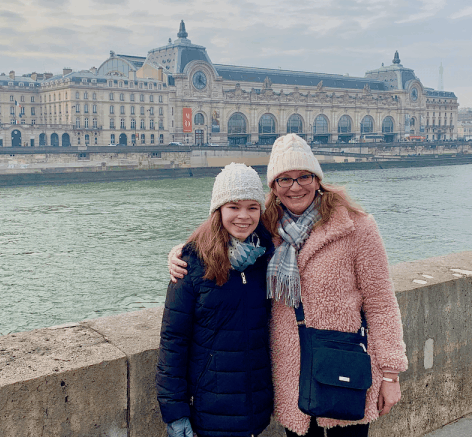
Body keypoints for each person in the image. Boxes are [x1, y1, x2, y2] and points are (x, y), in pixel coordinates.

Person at [169, 134, 408, 437]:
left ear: (317, 179)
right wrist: (181, 251)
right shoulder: (266, 230)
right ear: (274, 187)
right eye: (284, 179)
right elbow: (224, 240)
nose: (295, 187)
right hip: (290, 378)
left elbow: (381, 303)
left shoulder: (357, 227)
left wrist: (391, 375)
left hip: (344, 370)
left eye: (303, 176)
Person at [157, 163, 274, 437]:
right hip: (209, 409)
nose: (243, 216)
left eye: (252, 207)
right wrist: (175, 413)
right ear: (218, 210)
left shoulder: (267, 258)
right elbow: (173, 342)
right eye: (233, 207)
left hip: (256, 408)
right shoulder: (191, 263)